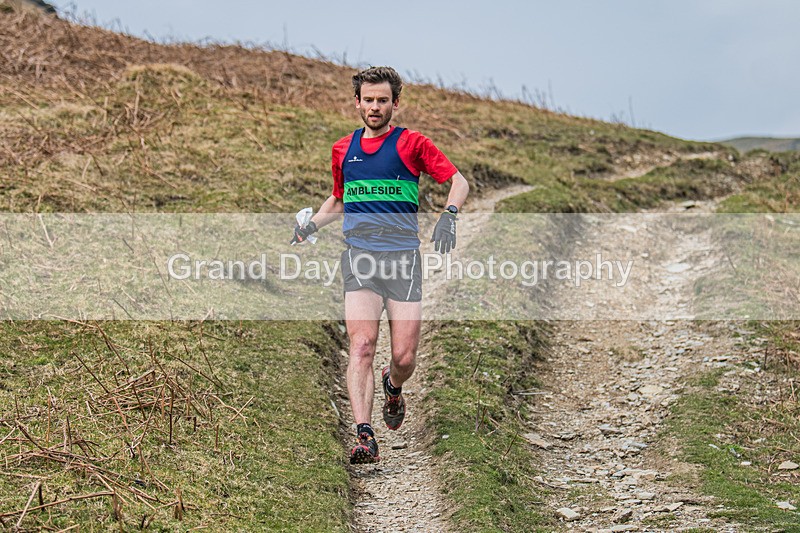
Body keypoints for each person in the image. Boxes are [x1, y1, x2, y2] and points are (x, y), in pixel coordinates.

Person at [291, 66, 469, 464]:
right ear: (357, 102)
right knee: (362, 345)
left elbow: (459, 181)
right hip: (359, 259)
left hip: (403, 259)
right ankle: (364, 435)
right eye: (368, 100)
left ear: (394, 103)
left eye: (382, 100)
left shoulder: (412, 144)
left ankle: (393, 385)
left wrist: (449, 214)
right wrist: (309, 226)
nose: (374, 107)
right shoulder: (343, 150)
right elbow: (338, 200)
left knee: (404, 358)